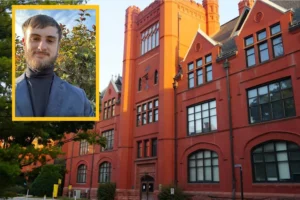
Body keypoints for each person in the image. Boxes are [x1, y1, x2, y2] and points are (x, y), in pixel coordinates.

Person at [15, 14, 94, 117]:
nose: (42, 47)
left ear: (58, 46)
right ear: (24, 43)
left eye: (50, 40)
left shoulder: (79, 98)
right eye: (35, 38)